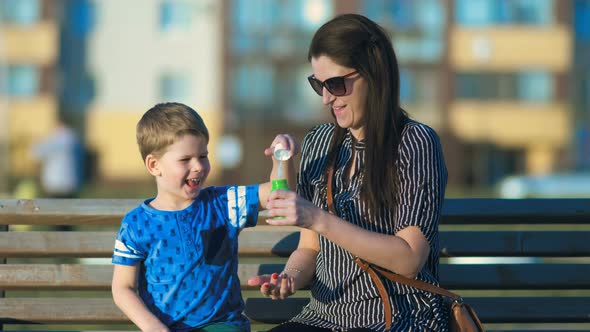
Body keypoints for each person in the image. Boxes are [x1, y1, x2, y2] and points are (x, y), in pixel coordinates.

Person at [248, 14, 448, 332]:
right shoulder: (318, 143)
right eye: (318, 84)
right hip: (323, 317)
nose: (327, 97)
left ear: (374, 74)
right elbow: (309, 248)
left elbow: (409, 260)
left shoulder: (414, 142)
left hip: (397, 317)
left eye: (336, 83)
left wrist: (317, 217)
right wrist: (289, 278)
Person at [111, 102, 298, 332]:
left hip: (222, 326)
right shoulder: (137, 224)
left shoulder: (223, 204)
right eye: (185, 159)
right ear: (154, 165)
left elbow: (279, 193)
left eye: (203, 155)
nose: (198, 166)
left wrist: (282, 159)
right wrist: (155, 328)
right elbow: (123, 288)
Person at [31, 117, 84, 199]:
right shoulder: (74, 138)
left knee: (55, 209)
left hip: (56, 185)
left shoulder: (60, 138)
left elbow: (36, 152)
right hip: (71, 184)